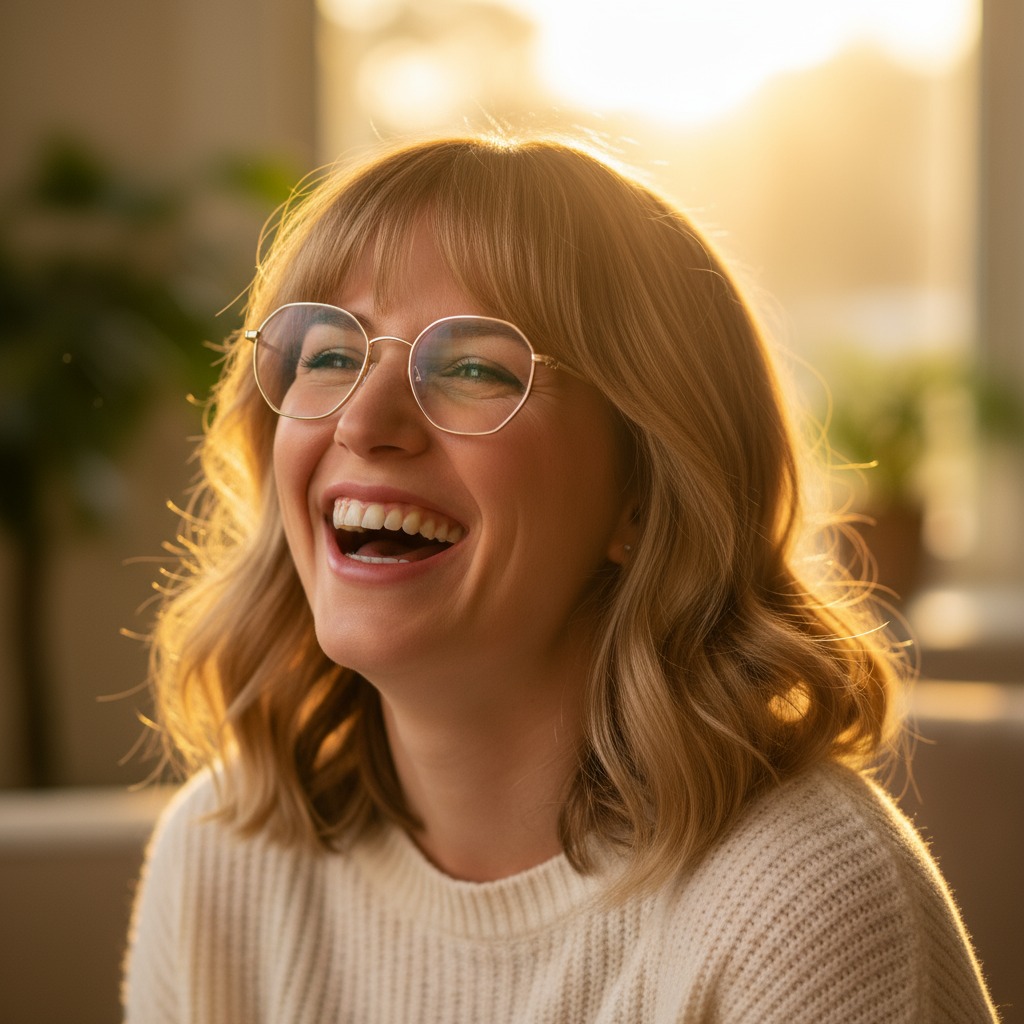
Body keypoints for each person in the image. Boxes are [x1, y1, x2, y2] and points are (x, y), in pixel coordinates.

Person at [122, 134, 998, 1023]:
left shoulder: (798, 899)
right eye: (332, 355)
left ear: (641, 494)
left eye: (473, 367)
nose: (363, 422)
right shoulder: (221, 855)